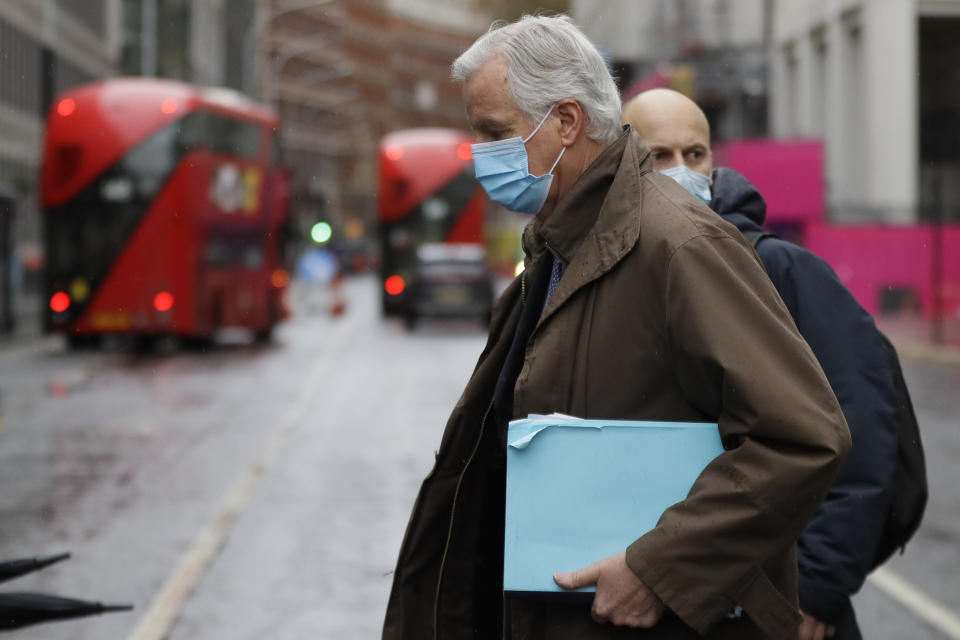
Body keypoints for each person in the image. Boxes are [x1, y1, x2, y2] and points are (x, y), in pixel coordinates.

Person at [383, 15, 851, 640]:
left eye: (495, 132)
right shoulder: (553, 250)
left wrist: (658, 569)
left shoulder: (680, 246)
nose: (480, 154)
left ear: (567, 123)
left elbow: (803, 439)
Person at [623, 88, 900, 640]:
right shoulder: (616, 277)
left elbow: (860, 435)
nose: (682, 170)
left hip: (778, 607)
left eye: (695, 153)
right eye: (659, 156)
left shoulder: (784, 271)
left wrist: (817, 586)